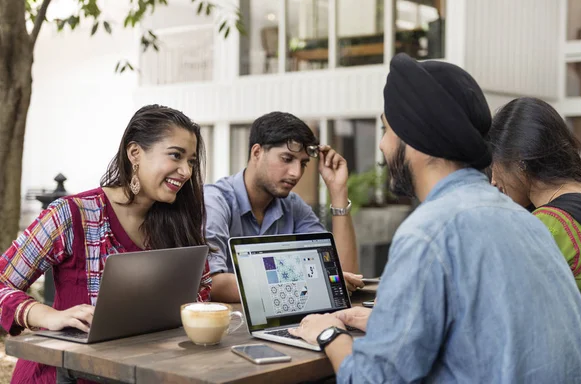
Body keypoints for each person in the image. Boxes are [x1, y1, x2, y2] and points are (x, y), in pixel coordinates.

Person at [289, 54, 581, 383]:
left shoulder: (429, 233)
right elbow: (487, 336)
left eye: (386, 129)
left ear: (416, 141)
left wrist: (329, 334)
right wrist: (385, 323)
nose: (381, 145)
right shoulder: (528, 223)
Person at [1, 105, 213, 384]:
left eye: (192, 161)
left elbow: (201, 291)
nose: (186, 171)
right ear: (135, 153)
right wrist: (48, 316)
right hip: (60, 376)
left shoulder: (177, 223)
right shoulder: (71, 214)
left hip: (139, 374)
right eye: (176, 155)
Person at [487, 97, 581, 381]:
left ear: (521, 164)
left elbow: (503, 318)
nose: (492, 180)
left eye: (495, 165)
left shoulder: (548, 226)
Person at [205, 112, 363, 302]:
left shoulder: (294, 207)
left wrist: (338, 193)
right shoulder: (215, 201)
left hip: (286, 322)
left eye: (303, 163)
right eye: (287, 159)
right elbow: (213, 283)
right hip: (228, 328)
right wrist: (308, 281)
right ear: (257, 153)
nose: (296, 173)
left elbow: (344, 277)